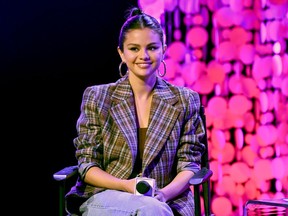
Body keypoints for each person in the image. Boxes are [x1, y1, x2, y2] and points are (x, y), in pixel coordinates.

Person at [65, 6, 206, 216]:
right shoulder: (98, 97)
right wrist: (126, 185)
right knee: (149, 210)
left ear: (163, 49)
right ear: (121, 52)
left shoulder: (185, 100)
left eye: (152, 47)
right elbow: (87, 165)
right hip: (106, 194)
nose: (144, 56)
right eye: (134, 49)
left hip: (167, 199)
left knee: (152, 209)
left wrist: (164, 195)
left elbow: (190, 164)